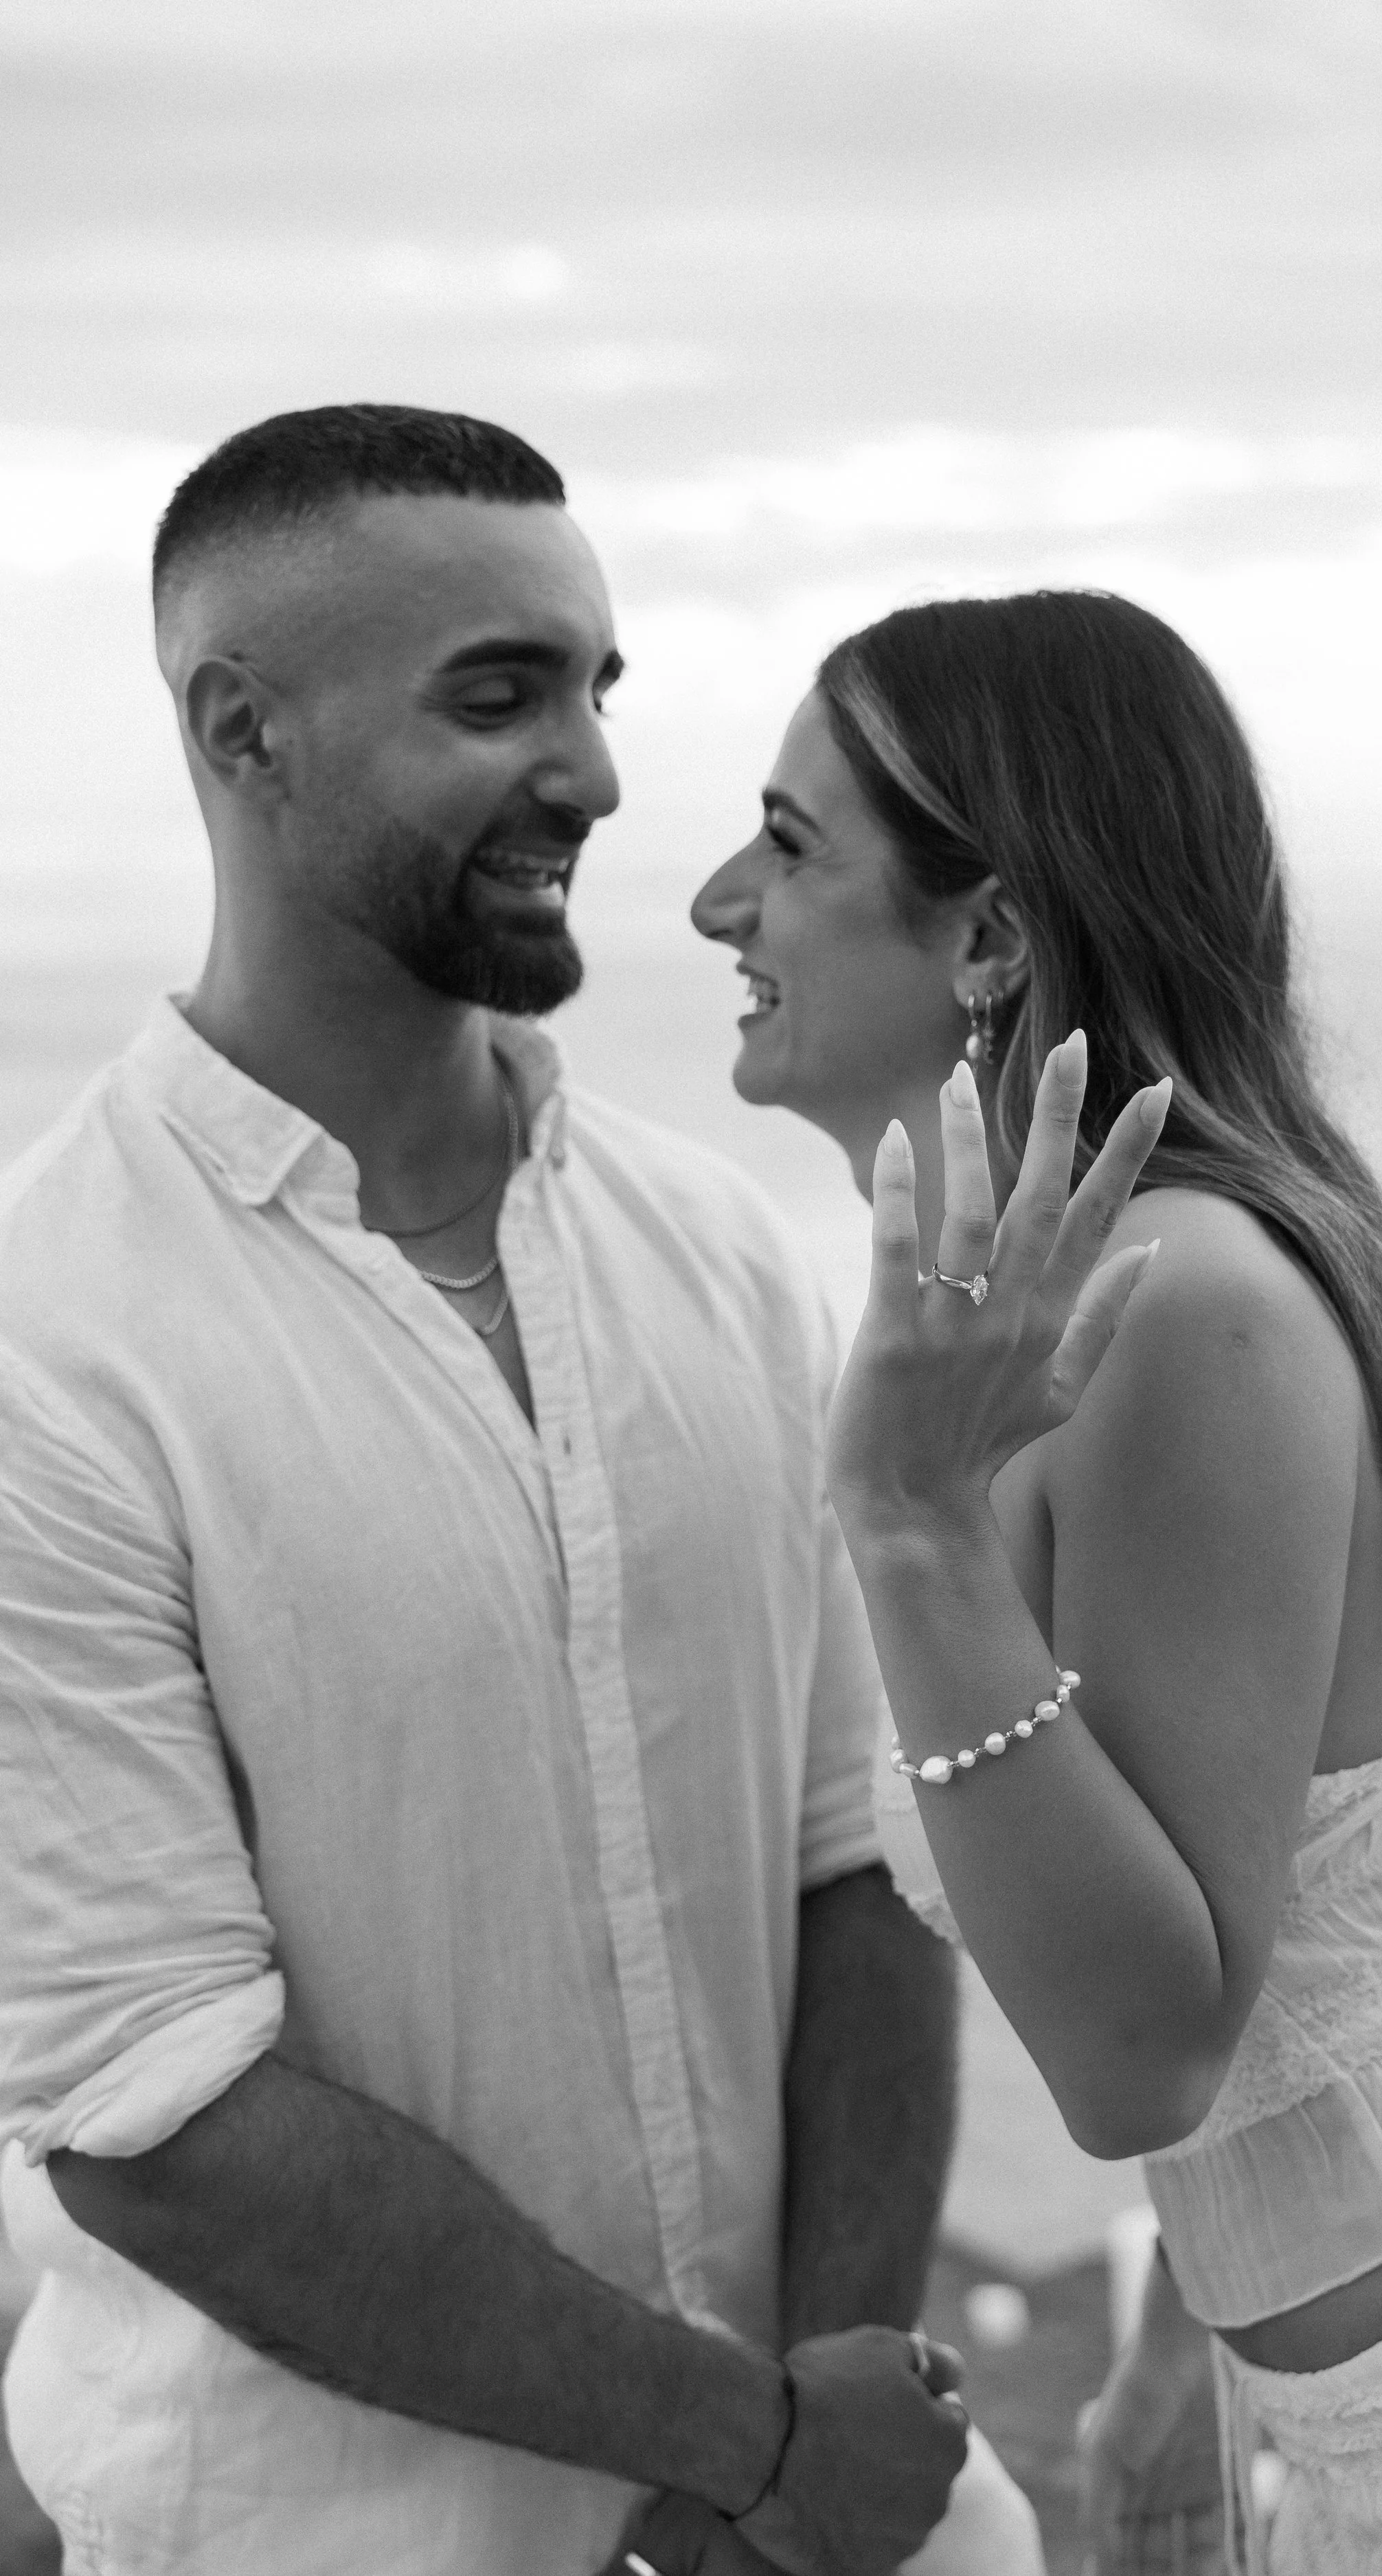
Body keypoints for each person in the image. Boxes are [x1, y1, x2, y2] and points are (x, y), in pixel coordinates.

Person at [0, 403, 1019, 2576]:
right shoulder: (44, 1336)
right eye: (498, 694)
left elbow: (858, 1872)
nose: (596, 770)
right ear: (241, 732)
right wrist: (741, 2437)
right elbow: (155, 2116)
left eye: (596, 686)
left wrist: (800, 2471)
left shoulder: (723, 1249)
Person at [691, 589, 1382, 2575]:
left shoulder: (1181, 1301)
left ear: (987, 934)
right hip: (1359, 2394)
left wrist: (904, 1519)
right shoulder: (1044, 1300)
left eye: (791, 844)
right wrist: (1185, 2329)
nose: (721, 901)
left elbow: (1144, 2039)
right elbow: (1237, 1867)